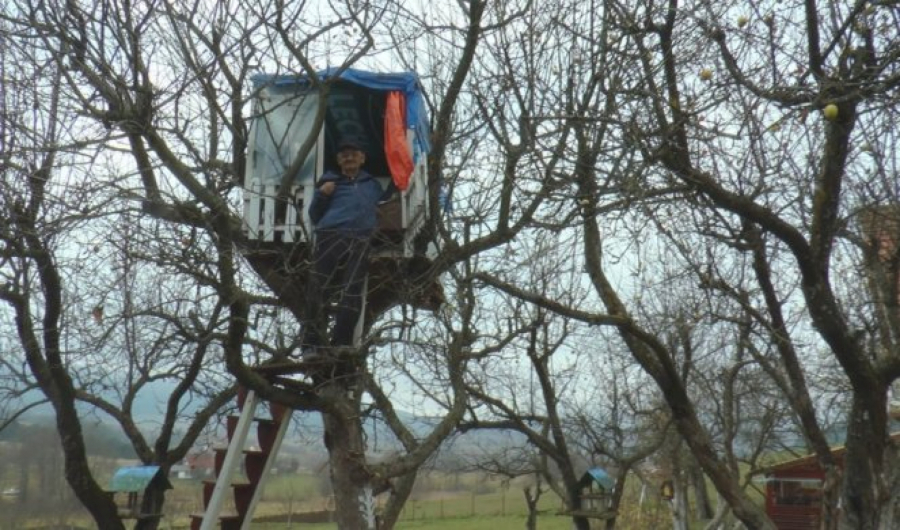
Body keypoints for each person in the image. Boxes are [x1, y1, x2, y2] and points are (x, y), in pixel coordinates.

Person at [302, 138, 385, 359]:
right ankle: (311, 346)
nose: (349, 157)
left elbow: (386, 202)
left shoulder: (372, 185)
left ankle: (343, 344)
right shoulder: (330, 183)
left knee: (352, 291)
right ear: (338, 160)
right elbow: (314, 215)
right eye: (344, 155)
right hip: (331, 236)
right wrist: (322, 194)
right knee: (319, 289)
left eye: (353, 153)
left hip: (360, 239)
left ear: (362, 158)